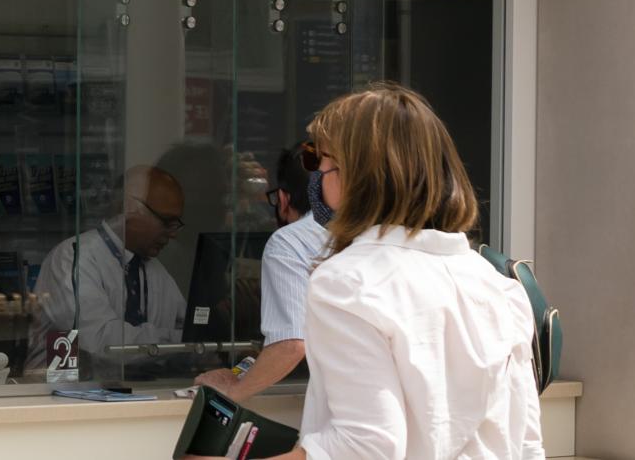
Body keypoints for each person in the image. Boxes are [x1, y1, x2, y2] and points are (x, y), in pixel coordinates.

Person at [215, 84, 542, 460]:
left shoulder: (347, 283)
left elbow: (364, 445)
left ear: (359, 177)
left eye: (321, 161)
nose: (316, 175)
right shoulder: (495, 285)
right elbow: (527, 442)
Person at [193, 144, 329, 402]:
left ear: (284, 199)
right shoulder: (380, 234)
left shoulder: (289, 242)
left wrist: (234, 390)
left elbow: (291, 344)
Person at [28, 165, 188, 373]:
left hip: (136, 394)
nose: (172, 233)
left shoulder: (155, 270)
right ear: (129, 208)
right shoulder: (75, 257)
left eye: (176, 224)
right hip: (61, 395)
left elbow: (188, 327)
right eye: (166, 222)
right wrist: (184, 340)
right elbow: (101, 343)